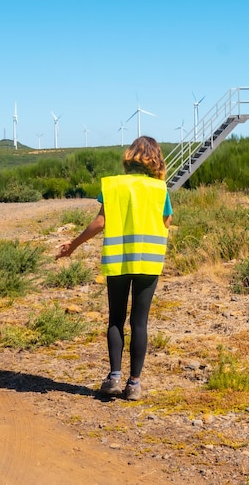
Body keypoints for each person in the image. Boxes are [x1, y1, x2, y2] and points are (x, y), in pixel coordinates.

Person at [55, 136, 172, 400]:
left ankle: (114, 378)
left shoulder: (113, 185)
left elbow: (99, 223)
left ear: (129, 156)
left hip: (118, 259)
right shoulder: (160, 189)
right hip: (149, 261)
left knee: (116, 319)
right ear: (155, 158)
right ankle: (134, 385)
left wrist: (72, 245)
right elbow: (166, 222)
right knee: (140, 322)